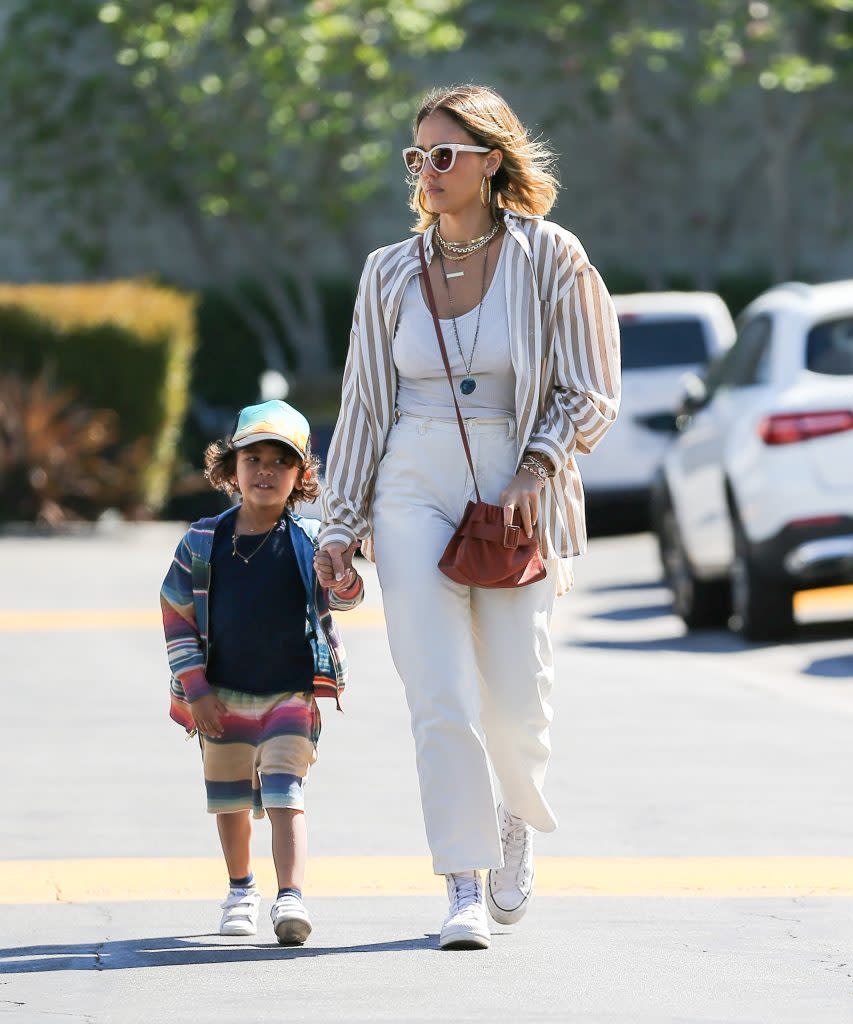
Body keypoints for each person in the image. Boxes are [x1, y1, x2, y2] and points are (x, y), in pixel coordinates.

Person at [317, 83, 621, 950]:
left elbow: (593, 390)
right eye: (415, 157)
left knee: (518, 702)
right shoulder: (387, 271)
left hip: (515, 481)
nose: (426, 171)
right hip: (411, 479)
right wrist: (340, 524)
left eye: (443, 154)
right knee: (437, 693)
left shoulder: (553, 257)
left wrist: (537, 464)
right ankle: (459, 876)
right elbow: (365, 406)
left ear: (492, 162)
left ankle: (512, 813)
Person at [160, 399, 363, 945]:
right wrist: (195, 689)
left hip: (289, 696)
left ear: (301, 476)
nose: (266, 471)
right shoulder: (201, 543)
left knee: (284, 792)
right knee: (229, 799)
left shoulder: (312, 539)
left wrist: (339, 573)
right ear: (231, 469)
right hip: (220, 695)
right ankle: (240, 888)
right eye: (254, 459)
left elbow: (346, 597)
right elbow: (176, 614)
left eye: (282, 462)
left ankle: (291, 897)